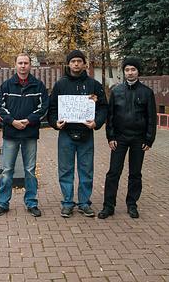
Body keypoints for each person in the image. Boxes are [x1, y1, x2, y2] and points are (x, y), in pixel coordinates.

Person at [48, 50, 108, 218]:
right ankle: (67, 203)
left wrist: (97, 122)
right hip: (66, 134)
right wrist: (55, 123)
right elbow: (52, 108)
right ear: (69, 63)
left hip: (86, 134)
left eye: (79, 61)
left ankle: (84, 203)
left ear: (84, 64)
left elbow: (103, 106)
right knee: (65, 170)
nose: (76, 64)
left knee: (86, 170)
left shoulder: (93, 85)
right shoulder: (61, 85)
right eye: (73, 61)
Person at [98, 57, 157, 219]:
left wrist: (149, 139)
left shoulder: (146, 92)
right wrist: (110, 137)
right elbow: (110, 117)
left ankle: (132, 204)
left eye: (133, 69)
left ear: (138, 71)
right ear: (123, 72)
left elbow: (152, 117)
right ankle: (108, 206)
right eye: (127, 70)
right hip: (120, 138)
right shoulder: (116, 91)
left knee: (135, 173)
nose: (130, 73)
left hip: (139, 140)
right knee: (113, 173)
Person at [0, 53, 49, 217]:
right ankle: (3, 203)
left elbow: (43, 107)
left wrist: (28, 121)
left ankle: (31, 202)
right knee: (7, 170)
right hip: (10, 134)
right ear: (15, 65)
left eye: (26, 63)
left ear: (30, 65)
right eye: (20, 63)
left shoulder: (38, 86)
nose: (23, 66)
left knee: (30, 170)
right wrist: (13, 121)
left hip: (30, 134)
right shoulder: (6, 86)